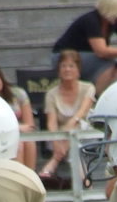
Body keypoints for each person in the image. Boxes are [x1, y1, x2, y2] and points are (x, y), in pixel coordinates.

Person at [39, 50, 96, 183]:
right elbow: (51, 123)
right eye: (64, 66)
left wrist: (70, 125)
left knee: (76, 126)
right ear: (59, 70)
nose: (67, 69)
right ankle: (84, 181)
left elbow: (81, 113)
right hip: (60, 137)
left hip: (85, 133)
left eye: (71, 66)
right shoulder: (51, 94)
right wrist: (56, 141)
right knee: (72, 140)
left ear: (78, 70)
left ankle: (54, 161)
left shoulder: (88, 88)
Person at [0, 58, 37, 170]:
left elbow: (29, 125)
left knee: (29, 142)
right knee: (17, 145)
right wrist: (16, 128)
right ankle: (18, 181)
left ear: (0, 74)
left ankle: (31, 179)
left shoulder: (18, 93)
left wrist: (18, 129)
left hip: (20, 135)